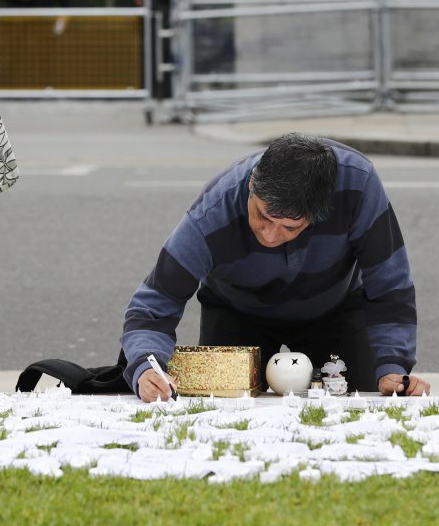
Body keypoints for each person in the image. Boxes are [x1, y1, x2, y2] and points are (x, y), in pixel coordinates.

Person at [121, 133, 430, 401]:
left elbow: (390, 285)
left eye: (289, 227)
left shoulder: (359, 185)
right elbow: (154, 305)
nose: (270, 235)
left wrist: (393, 366)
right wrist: (148, 367)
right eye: (263, 216)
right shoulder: (212, 213)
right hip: (236, 313)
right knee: (221, 411)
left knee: (361, 399)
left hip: (334, 311)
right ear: (253, 184)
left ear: (318, 214)